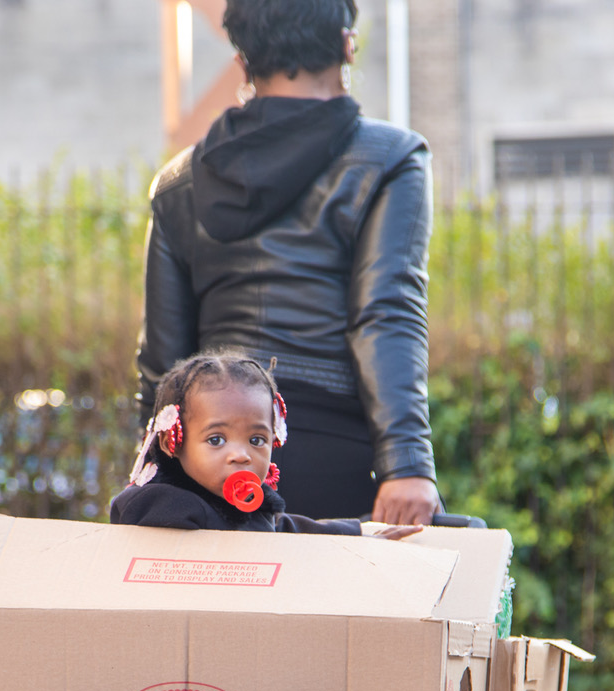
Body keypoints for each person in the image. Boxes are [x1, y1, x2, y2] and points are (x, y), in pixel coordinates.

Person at [135, 0, 440, 526]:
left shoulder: (177, 182)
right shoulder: (391, 160)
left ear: (242, 54)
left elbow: (163, 362)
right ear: (346, 43)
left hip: (210, 465)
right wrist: (406, 463)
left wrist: (152, 474)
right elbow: (386, 315)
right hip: (339, 458)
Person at [111, 353, 421, 540]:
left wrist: (361, 534)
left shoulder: (248, 506)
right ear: (173, 442)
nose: (241, 455)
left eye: (257, 440)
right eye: (216, 439)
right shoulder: (162, 504)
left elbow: (290, 531)